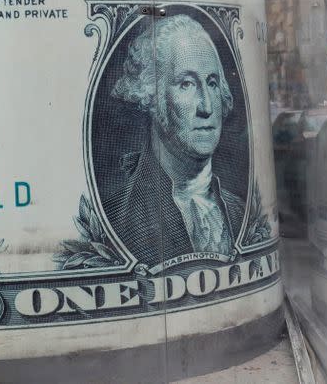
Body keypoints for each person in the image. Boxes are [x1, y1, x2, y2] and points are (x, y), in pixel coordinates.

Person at [104, 14, 245, 267]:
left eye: (212, 83)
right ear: (151, 96)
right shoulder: (116, 220)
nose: (206, 107)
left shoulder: (239, 211)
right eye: (187, 84)